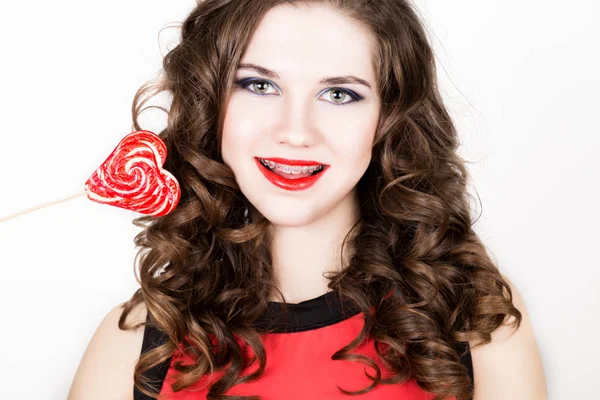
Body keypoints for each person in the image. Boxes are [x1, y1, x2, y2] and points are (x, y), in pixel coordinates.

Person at [68, 0, 548, 399]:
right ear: (210, 103)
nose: (295, 132)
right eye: (259, 85)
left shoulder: (475, 321)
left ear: (390, 117)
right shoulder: (135, 345)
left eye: (339, 94)